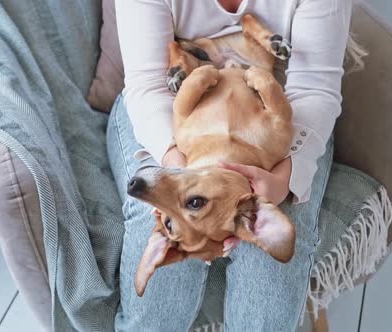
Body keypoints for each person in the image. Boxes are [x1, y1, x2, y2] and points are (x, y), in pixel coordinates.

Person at [106, 0, 359, 330]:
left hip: (276, 116)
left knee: (271, 258)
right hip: (167, 111)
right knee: (158, 231)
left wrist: (283, 180)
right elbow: (148, 86)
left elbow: (315, 90)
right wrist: (181, 168)